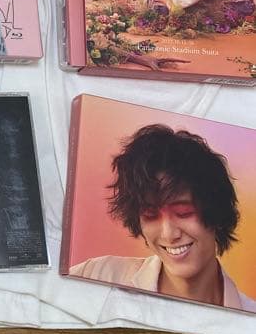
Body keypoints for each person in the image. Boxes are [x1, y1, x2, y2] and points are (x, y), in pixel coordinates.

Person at [70, 124, 256, 311]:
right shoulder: (96, 275)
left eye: (184, 212)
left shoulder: (248, 318)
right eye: (150, 215)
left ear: (216, 213)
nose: (169, 234)